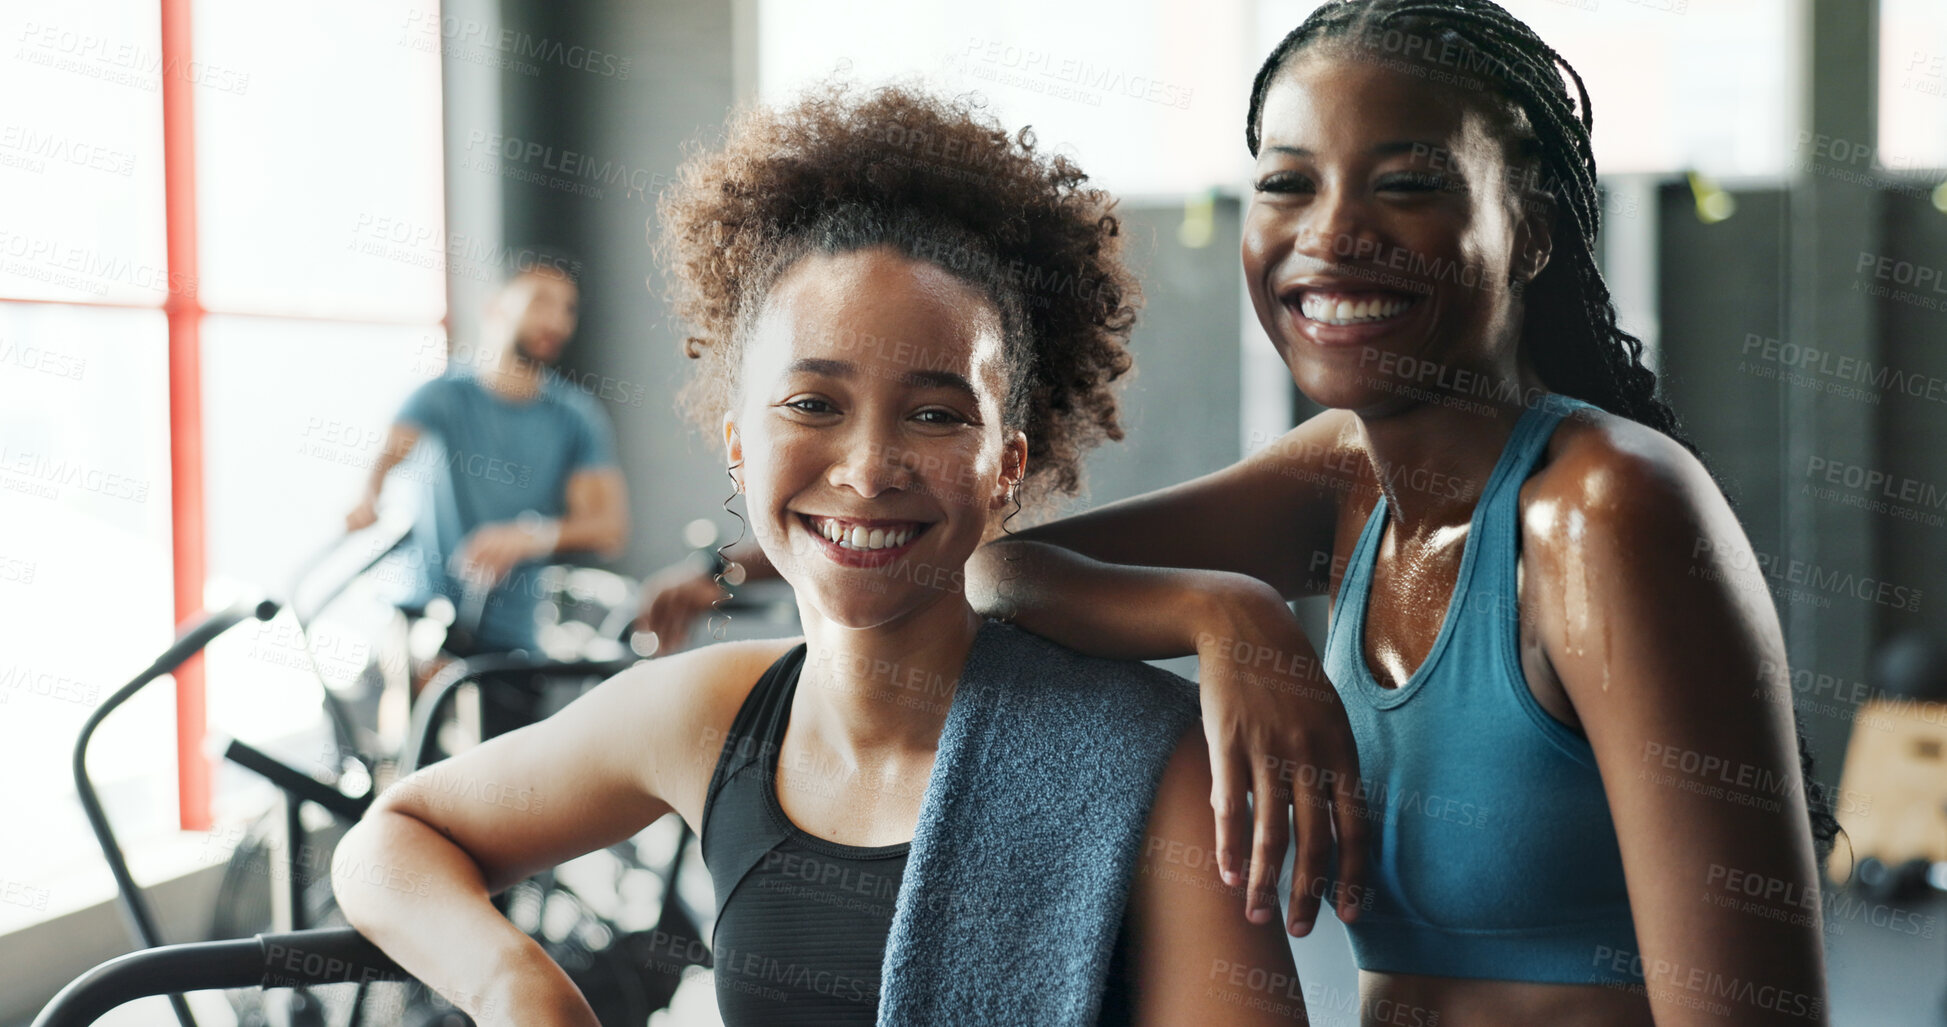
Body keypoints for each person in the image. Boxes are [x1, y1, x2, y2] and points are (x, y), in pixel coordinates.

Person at [331, 83, 1309, 1026]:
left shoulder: (1154, 758)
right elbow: (393, 837)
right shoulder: (709, 716)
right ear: (739, 445)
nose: (868, 467)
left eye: (934, 413)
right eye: (813, 404)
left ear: (1007, 466)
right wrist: (519, 988)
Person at [949, 1, 1840, 1023]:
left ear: (1534, 233)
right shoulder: (1344, 478)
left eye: (1409, 184)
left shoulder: (1606, 510)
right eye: (1287, 183)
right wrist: (1225, 617)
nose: (1330, 233)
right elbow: (994, 573)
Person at [345, 256, 630, 670]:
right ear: (495, 306)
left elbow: (609, 529)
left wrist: (528, 537)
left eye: (567, 308)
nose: (556, 321)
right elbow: (389, 453)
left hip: (511, 642)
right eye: (540, 302)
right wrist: (368, 497)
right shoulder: (442, 397)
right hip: (425, 623)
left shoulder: (575, 418)